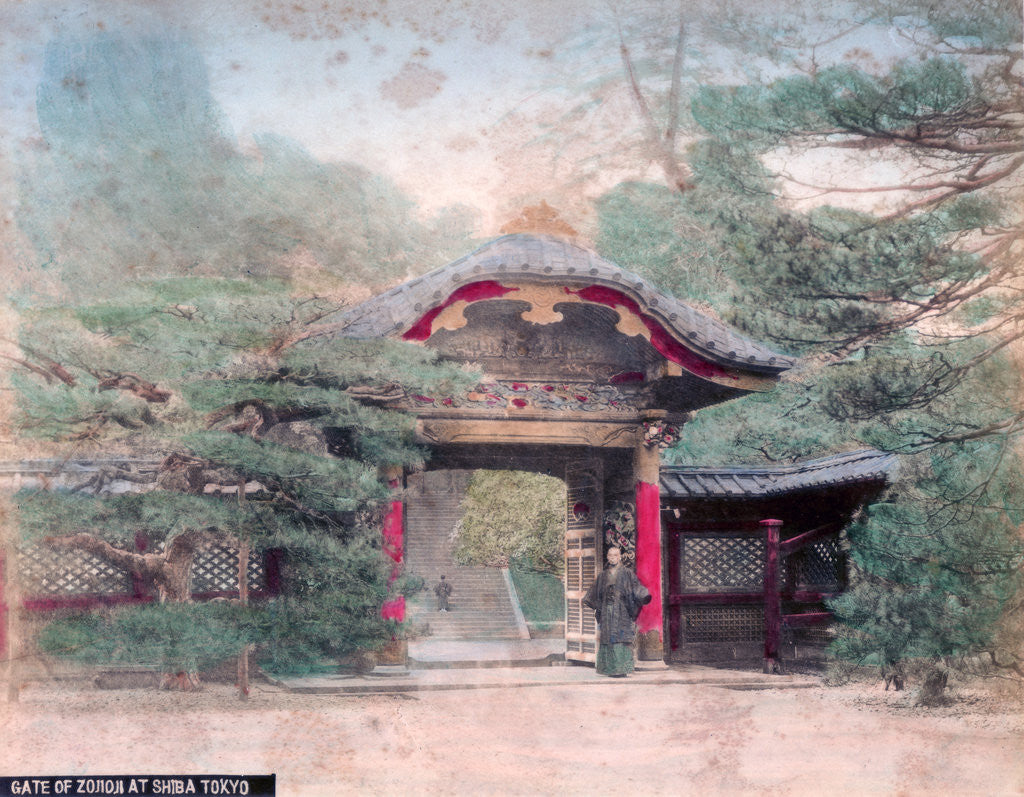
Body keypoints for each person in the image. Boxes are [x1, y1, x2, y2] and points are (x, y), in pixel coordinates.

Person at [583, 546, 651, 677]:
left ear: (619, 557)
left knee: (621, 638)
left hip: (622, 610)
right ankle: (609, 669)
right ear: (607, 557)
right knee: (607, 638)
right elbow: (595, 592)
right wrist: (589, 600)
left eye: (615, 555)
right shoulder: (603, 575)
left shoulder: (627, 573)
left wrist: (644, 595)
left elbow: (636, 587)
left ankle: (621, 669)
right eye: (610, 555)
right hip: (606, 610)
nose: (613, 558)